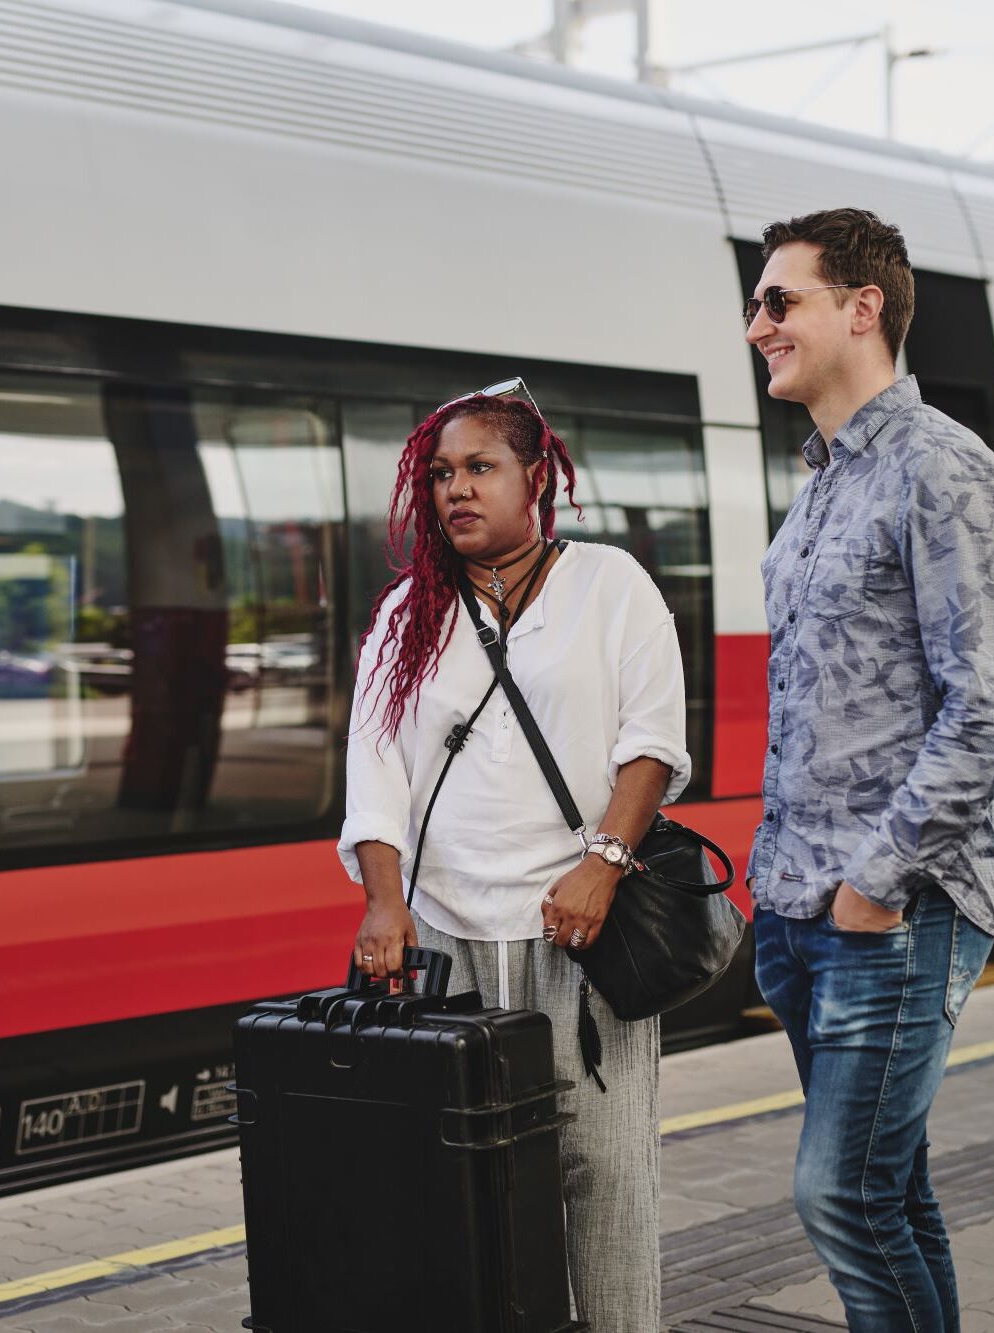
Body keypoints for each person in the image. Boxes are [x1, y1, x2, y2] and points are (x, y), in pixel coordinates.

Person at [337, 382, 689, 1333]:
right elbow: (372, 768)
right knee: (461, 1178)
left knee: (603, 1168)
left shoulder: (609, 584)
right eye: (440, 473)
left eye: (478, 467)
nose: (455, 489)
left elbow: (651, 741)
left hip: (581, 931)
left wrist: (604, 860)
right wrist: (382, 901)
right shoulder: (410, 611)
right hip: (445, 941)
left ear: (537, 477)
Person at [742, 208, 994, 1332]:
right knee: (889, 1192)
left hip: (894, 909)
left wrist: (875, 880)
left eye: (781, 301)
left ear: (862, 310)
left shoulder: (942, 472)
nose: (756, 322)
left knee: (840, 1198)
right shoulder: (817, 479)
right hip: (799, 904)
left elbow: (986, 708)